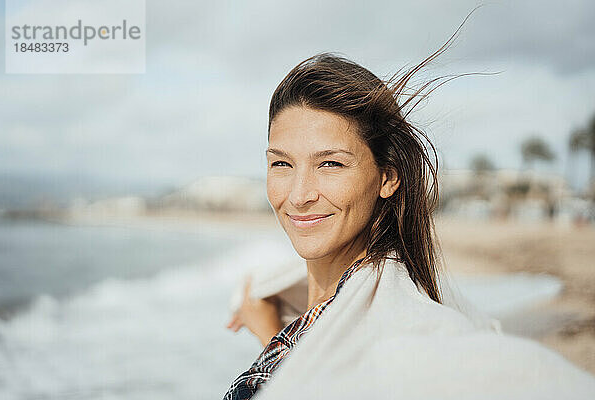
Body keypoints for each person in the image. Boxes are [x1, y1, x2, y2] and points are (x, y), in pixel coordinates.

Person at [222, 36, 595, 400]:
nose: (300, 195)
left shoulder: (405, 329)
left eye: (330, 164)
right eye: (282, 163)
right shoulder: (324, 317)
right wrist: (272, 335)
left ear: (387, 177)